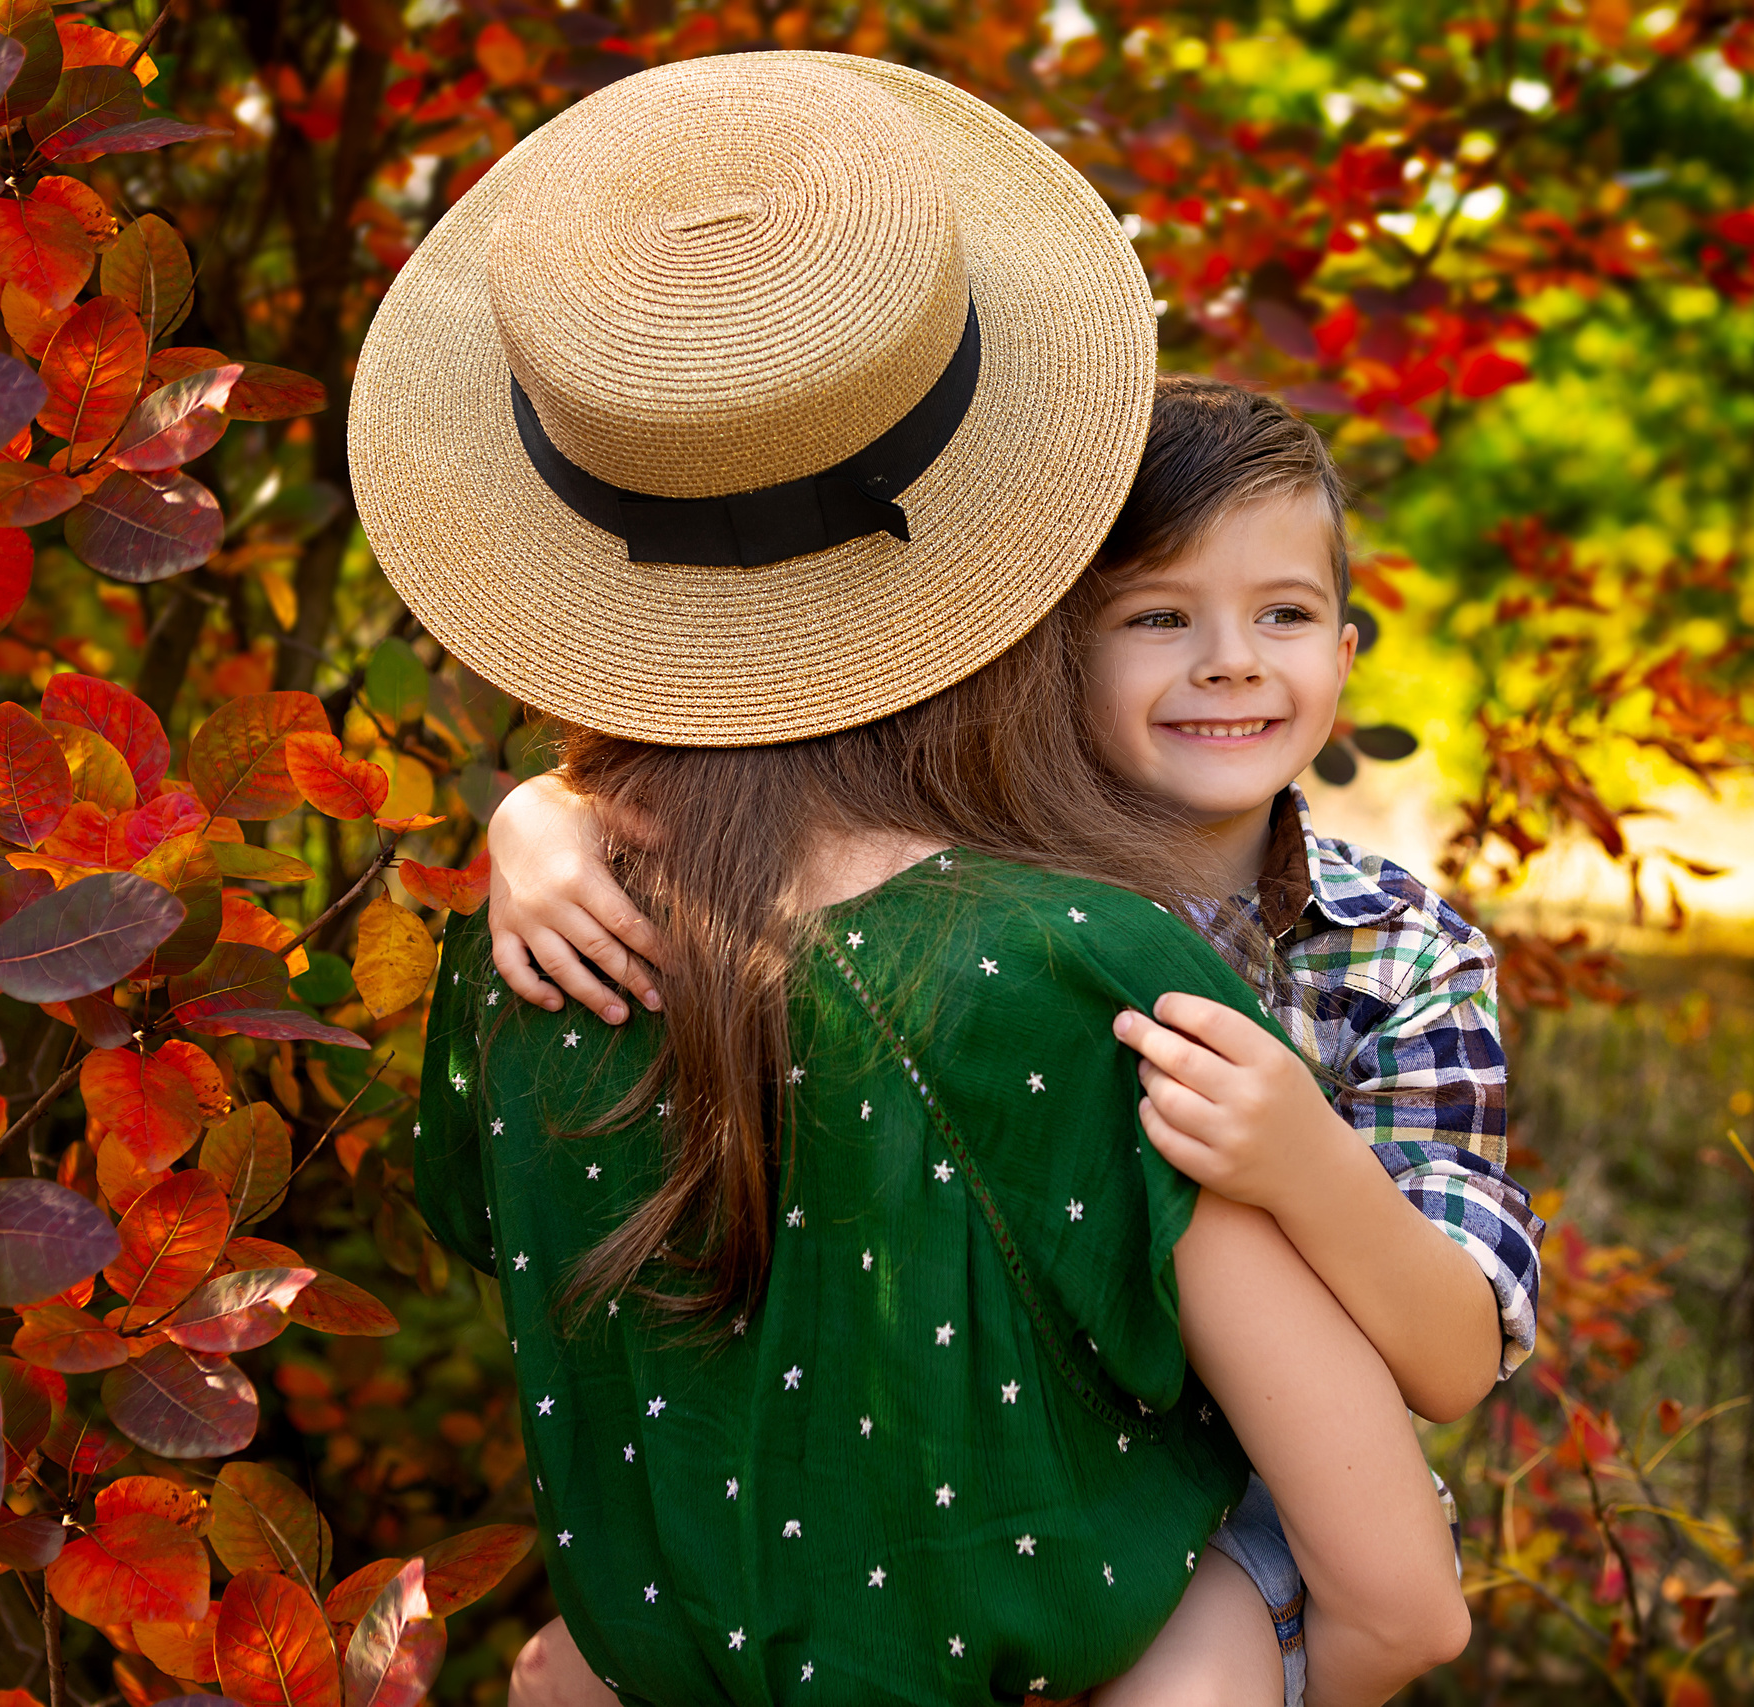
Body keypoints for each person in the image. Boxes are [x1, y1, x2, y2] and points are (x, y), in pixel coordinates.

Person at [350, 48, 1468, 1707]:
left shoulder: (522, 951)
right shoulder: (1083, 979)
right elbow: (1403, 1605)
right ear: (1034, 571)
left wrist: (551, 800)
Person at [484, 378, 1547, 1701]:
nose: (1230, 660)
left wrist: (1301, 1160)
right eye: (1157, 618)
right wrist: (542, 811)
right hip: (968, 1483)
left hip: (1255, 1500)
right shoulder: (973, 881)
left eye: (1287, 614)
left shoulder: (1395, 951)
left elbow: (1451, 1363)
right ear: (1043, 646)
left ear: (1346, 650)